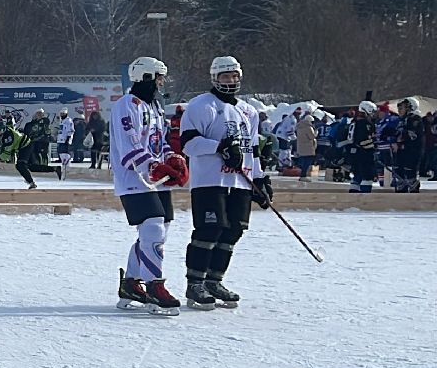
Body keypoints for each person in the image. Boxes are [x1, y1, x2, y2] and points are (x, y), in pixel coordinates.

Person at [179, 55, 272, 309]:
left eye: (234, 76)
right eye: (225, 76)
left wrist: (259, 180)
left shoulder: (249, 111)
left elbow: (252, 149)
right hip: (210, 180)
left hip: (240, 181)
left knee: (233, 230)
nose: (230, 81)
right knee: (210, 229)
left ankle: (214, 280)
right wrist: (219, 146)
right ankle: (195, 282)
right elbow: (188, 144)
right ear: (215, 78)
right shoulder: (201, 105)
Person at [110, 58, 185, 315]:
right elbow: (129, 145)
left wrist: (172, 159)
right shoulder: (126, 105)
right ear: (147, 77)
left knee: (161, 230)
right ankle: (155, 286)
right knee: (152, 227)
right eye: (159, 78)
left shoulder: (155, 106)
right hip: (134, 179)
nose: (161, 83)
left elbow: (160, 141)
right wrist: (152, 166)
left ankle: (131, 283)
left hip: (155, 179)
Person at [347, 100, 379, 192]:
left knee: (357, 177)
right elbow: (363, 141)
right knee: (367, 177)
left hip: (354, 153)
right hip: (364, 154)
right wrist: (374, 145)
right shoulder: (364, 123)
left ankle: (353, 196)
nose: (373, 114)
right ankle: (365, 197)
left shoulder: (354, 121)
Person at [293, 109, 319, 181]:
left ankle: (302, 174)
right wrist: (316, 132)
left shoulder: (299, 127)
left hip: (301, 146)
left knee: (303, 161)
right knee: (308, 161)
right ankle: (303, 175)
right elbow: (312, 137)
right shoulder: (308, 127)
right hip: (308, 147)